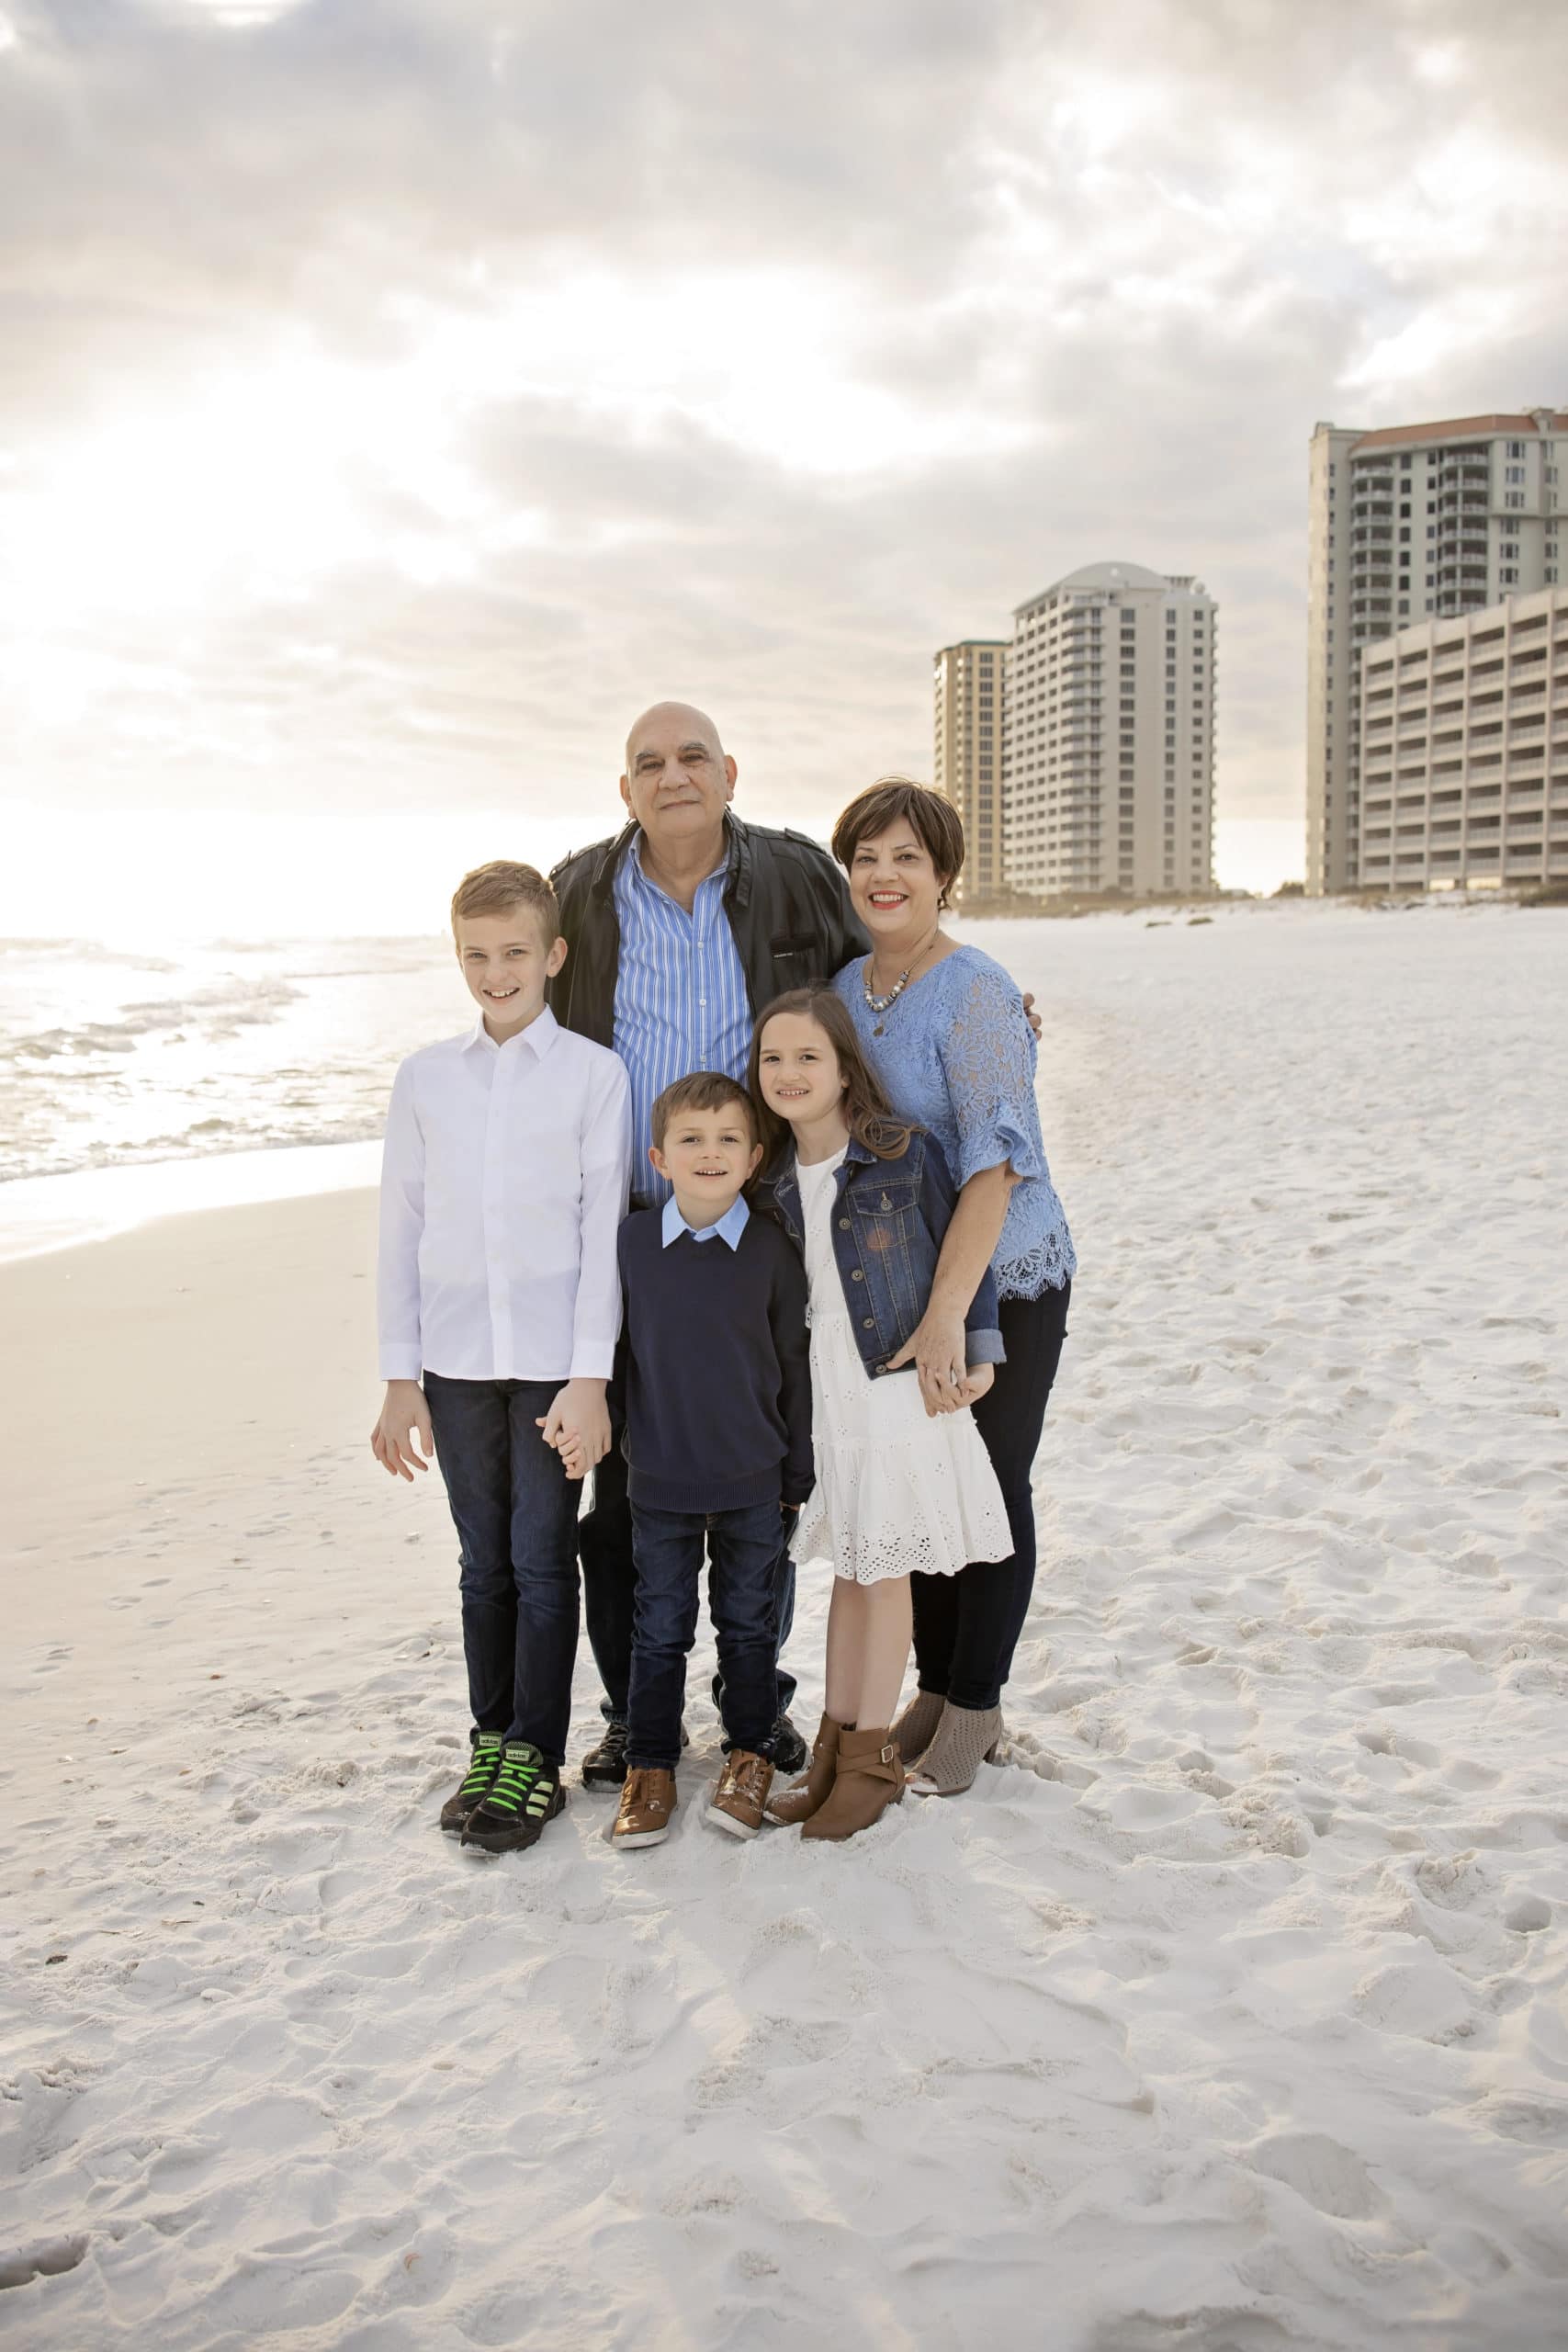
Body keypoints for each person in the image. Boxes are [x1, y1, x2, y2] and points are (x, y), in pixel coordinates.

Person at [548, 700, 867, 1786]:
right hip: (625, 1239)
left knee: (753, 1475)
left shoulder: (791, 875)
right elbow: (528, 1024)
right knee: (619, 1489)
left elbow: (867, 986)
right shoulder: (580, 892)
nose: (672, 775)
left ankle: (754, 1707)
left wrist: (990, 1003)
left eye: (692, 757)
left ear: (729, 771)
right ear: (624, 788)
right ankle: (629, 1715)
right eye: (649, 763)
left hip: (758, 1226)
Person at [371, 860, 633, 1854]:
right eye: (476, 955)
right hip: (455, 1362)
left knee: (542, 1557)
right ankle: (490, 1740)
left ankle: (535, 1752)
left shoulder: (593, 1075)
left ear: (553, 954)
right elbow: (401, 1229)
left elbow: (603, 1234)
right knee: (483, 1565)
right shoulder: (426, 1079)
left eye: (515, 951)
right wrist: (402, 1377)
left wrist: (591, 1377)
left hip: (555, 1369)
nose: (495, 971)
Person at [828, 779, 1076, 1797]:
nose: (884, 876)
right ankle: (933, 1688)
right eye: (867, 857)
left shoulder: (975, 988)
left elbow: (996, 1166)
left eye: (907, 859)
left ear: (943, 877)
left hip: (1003, 1275)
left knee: (992, 1482)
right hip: (903, 1285)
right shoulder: (845, 990)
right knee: (926, 1485)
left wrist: (948, 1318)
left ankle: (976, 1706)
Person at [749, 990, 1012, 1840]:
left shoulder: (902, 1153)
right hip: (828, 1393)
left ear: (842, 1068)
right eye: (772, 1059)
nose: (788, 1074)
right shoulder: (770, 1181)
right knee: (850, 1575)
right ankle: (835, 1750)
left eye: (806, 1058)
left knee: (884, 1573)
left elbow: (963, 1254)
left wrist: (979, 1347)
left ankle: (871, 1763)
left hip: (895, 1386)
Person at [609, 1073, 813, 1850]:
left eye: (728, 1138)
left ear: (756, 1157)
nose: (709, 1152)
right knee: (658, 1630)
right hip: (658, 1483)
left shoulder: (769, 1249)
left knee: (748, 1631)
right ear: (658, 1157)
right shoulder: (631, 1244)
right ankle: (651, 1765)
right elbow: (617, 1360)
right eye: (691, 1139)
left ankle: (750, 1754)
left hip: (755, 1484)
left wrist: (796, 1476)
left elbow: (793, 1366)